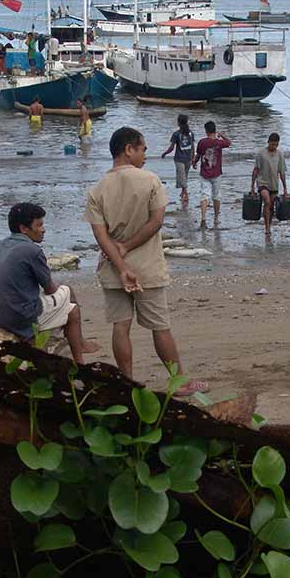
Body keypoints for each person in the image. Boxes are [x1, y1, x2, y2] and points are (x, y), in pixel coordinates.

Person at [84, 127, 207, 396]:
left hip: (113, 269)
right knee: (160, 326)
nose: (145, 155)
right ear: (129, 149)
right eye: (143, 149)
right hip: (147, 267)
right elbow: (156, 221)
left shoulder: (97, 189)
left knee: (120, 326)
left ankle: (127, 383)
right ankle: (179, 382)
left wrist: (121, 265)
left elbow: (101, 237)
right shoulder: (150, 180)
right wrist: (128, 248)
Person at [0, 203, 99, 363]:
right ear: (24, 229)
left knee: (61, 298)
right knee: (72, 306)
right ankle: (79, 357)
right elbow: (50, 289)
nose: (43, 229)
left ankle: (77, 342)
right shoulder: (33, 251)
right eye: (39, 225)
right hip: (21, 318)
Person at [192, 121, 231, 229]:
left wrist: (194, 162)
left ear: (206, 131)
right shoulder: (219, 142)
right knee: (216, 196)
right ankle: (216, 218)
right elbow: (229, 142)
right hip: (216, 173)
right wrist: (222, 135)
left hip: (204, 173)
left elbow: (199, 155)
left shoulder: (202, 142)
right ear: (215, 130)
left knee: (204, 195)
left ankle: (203, 218)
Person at [251, 132, 288, 235]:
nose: (274, 146)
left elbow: (282, 172)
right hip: (262, 182)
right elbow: (256, 170)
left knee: (271, 206)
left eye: (276, 144)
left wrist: (285, 189)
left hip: (273, 183)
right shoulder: (261, 154)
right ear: (268, 142)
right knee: (267, 201)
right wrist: (252, 186)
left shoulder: (280, 154)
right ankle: (267, 228)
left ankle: (268, 225)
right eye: (272, 144)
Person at [160, 114, 195, 206]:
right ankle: (184, 192)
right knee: (183, 177)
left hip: (180, 159)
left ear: (178, 122)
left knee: (183, 177)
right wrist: (193, 157)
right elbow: (193, 147)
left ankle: (185, 193)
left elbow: (172, 148)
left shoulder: (176, 134)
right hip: (186, 159)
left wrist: (165, 153)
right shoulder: (190, 133)